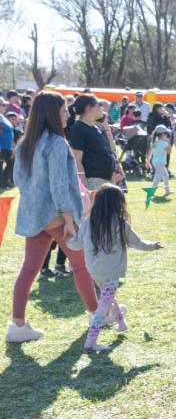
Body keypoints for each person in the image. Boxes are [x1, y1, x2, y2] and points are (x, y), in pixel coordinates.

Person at [7, 91, 99, 342]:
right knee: (81, 266)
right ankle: (97, 314)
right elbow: (59, 184)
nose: (68, 114)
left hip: (33, 215)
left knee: (29, 269)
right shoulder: (56, 143)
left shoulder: (25, 142)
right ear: (51, 113)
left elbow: (19, 180)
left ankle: (18, 324)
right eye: (63, 109)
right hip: (57, 216)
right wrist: (68, 217)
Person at [67, 184, 162, 352]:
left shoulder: (88, 222)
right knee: (103, 306)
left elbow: (75, 245)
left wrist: (67, 239)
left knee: (107, 297)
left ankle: (122, 323)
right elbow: (137, 243)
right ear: (118, 203)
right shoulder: (120, 223)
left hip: (94, 270)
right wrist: (153, 246)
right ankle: (91, 342)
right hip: (111, 272)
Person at [67, 94, 122, 192]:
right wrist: (85, 188)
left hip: (106, 179)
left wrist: (115, 168)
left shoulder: (95, 128)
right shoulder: (79, 129)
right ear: (89, 108)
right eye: (98, 105)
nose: (102, 108)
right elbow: (76, 160)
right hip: (93, 181)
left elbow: (109, 150)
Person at [150, 126, 172, 197]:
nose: (167, 135)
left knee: (166, 175)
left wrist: (147, 161)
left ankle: (167, 191)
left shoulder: (155, 142)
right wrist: (168, 143)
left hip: (156, 162)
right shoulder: (164, 143)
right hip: (160, 163)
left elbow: (150, 152)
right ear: (163, 134)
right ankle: (151, 192)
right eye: (166, 134)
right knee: (158, 178)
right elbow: (169, 152)